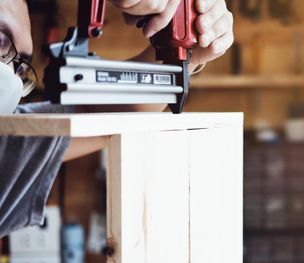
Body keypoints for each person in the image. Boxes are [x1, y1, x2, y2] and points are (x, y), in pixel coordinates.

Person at [0, 0, 234, 236]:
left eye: (19, 67)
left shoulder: (6, 151)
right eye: (1, 40)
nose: (9, 77)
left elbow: (102, 115)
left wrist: (185, 40)